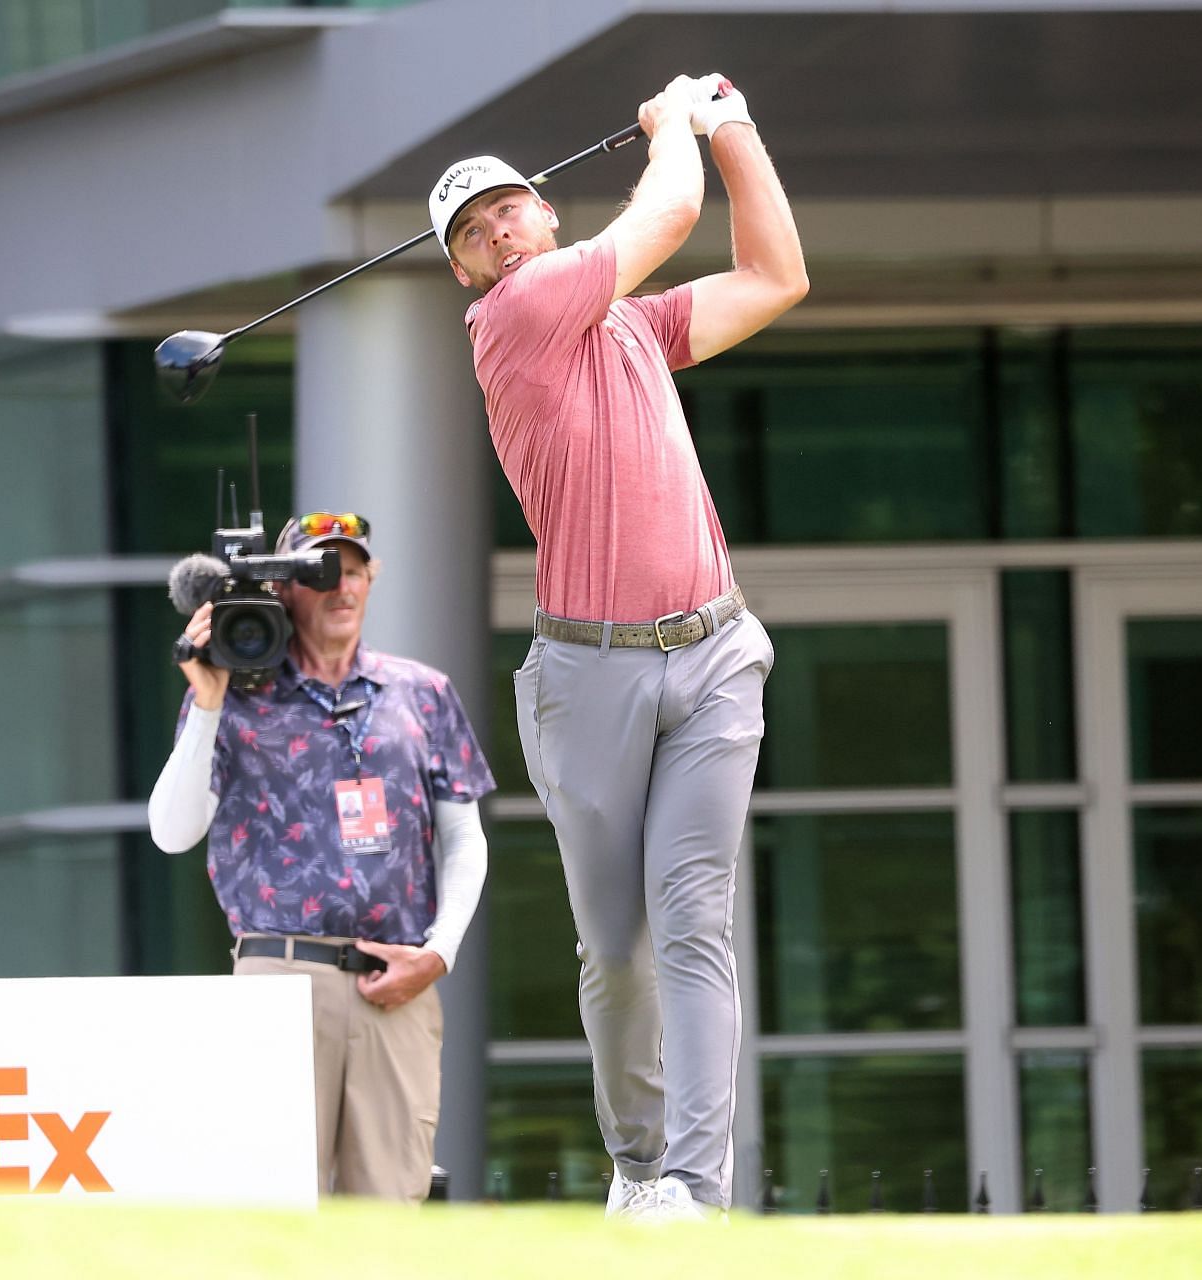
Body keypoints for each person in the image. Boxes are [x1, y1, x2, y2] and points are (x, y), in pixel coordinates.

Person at [429, 71, 806, 1221]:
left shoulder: (633, 324)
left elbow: (775, 275)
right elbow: (669, 216)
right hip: (588, 673)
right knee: (621, 946)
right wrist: (673, 124)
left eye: (507, 205)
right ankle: (639, 1164)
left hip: (713, 653)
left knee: (695, 917)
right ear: (467, 271)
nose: (496, 227)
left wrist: (732, 126)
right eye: (470, 230)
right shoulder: (515, 317)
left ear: (545, 210)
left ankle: (695, 1186)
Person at [147, 511, 496, 1201]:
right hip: (280, 974)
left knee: (390, 1213)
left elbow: (465, 836)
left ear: (372, 581)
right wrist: (209, 703)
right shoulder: (238, 695)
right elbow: (171, 831)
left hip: (394, 983)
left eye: (355, 569)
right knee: (276, 1210)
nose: (341, 586)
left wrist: (440, 952)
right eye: (321, 572)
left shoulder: (421, 692)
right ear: (282, 590)